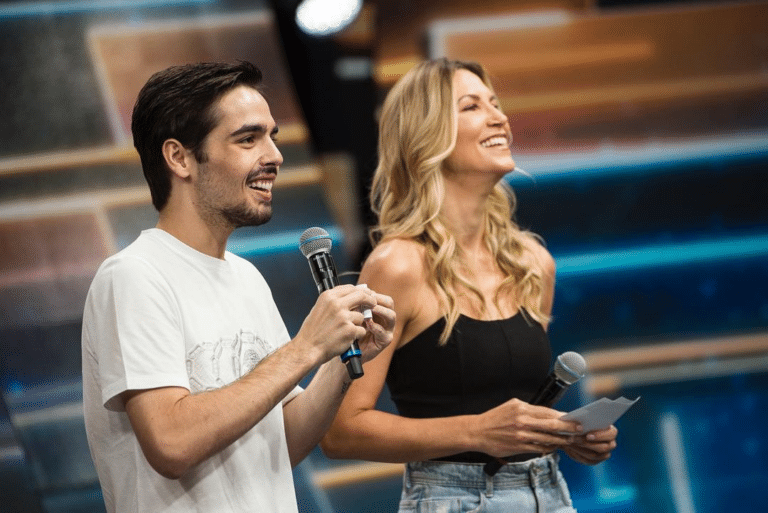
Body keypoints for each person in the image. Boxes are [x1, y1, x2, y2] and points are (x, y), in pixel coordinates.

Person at [80, 61, 395, 513]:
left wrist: (343, 363)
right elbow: (171, 444)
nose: (274, 155)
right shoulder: (133, 276)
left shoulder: (246, 276)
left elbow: (280, 443)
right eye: (248, 138)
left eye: (272, 136)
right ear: (179, 158)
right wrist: (305, 348)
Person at [320, 58, 618, 512]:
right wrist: (478, 432)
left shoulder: (531, 263)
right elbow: (342, 431)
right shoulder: (397, 265)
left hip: (551, 494)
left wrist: (565, 433)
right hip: (452, 498)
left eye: (496, 104)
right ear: (428, 135)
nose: (499, 117)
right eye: (472, 106)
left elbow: (508, 403)